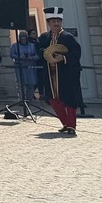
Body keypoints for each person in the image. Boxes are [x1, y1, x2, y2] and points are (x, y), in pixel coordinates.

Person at [38, 7, 83, 136]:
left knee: (69, 99)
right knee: (52, 98)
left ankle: (72, 126)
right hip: (50, 73)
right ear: (49, 23)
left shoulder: (68, 37)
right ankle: (65, 123)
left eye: (58, 21)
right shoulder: (44, 37)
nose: (56, 23)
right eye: (54, 21)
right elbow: (39, 50)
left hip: (66, 73)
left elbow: (76, 53)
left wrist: (62, 58)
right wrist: (47, 55)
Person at [9, 30, 40, 101]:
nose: (23, 38)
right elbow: (12, 54)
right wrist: (20, 56)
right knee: (21, 84)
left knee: (31, 84)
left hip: (30, 67)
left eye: (24, 37)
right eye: (21, 37)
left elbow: (37, 56)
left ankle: (30, 99)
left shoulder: (32, 46)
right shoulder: (14, 46)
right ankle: (22, 99)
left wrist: (30, 57)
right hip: (20, 67)